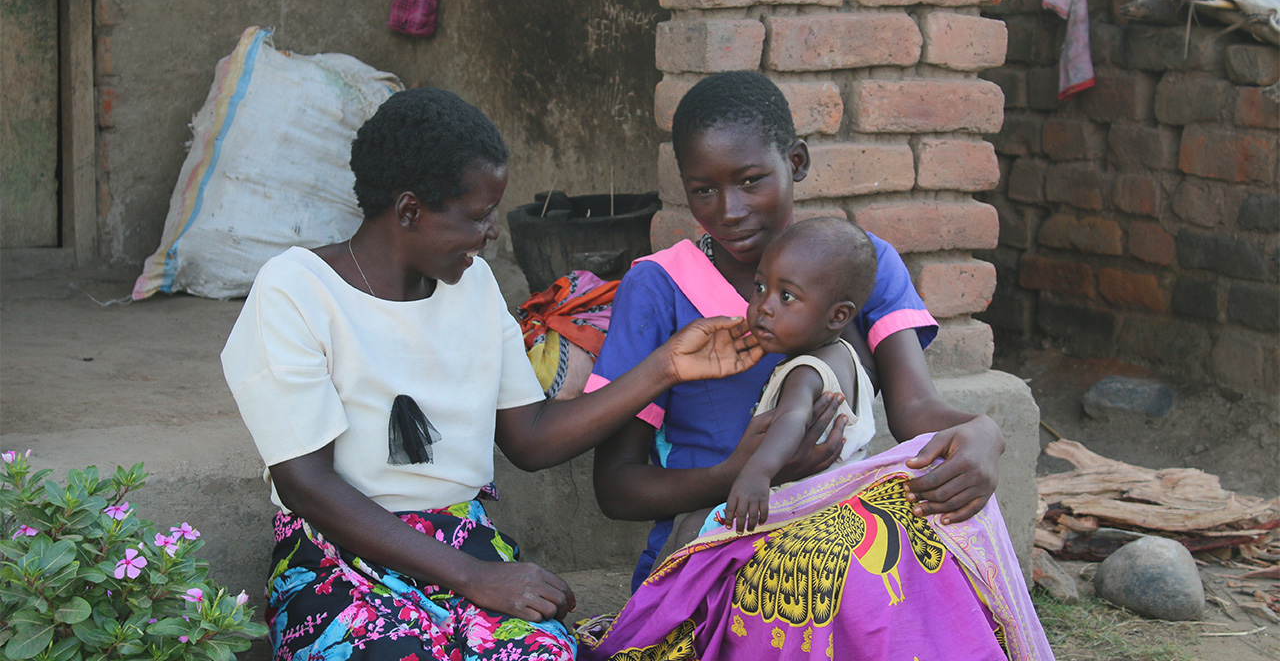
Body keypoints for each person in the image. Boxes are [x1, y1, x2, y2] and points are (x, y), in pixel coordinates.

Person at [219, 87, 767, 660]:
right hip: (335, 554)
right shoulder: (295, 291)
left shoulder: (474, 286)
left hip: (463, 539)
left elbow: (529, 438)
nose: (493, 233)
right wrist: (473, 578)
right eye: (479, 216)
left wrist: (665, 367)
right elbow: (307, 485)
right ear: (409, 211)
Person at [589, 71, 1007, 591]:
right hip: (711, 547)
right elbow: (616, 487)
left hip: (833, 540)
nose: (730, 211)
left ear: (796, 163)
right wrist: (743, 476)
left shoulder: (861, 263)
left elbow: (914, 411)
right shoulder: (659, 287)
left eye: (750, 181)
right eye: (703, 190)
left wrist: (982, 431)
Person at [718, 217, 881, 535]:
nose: (764, 306)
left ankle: (655, 588)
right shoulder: (845, 356)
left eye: (787, 297)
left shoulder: (805, 371)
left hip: (798, 514)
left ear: (838, 316)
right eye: (761, 288)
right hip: (840, 510)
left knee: (690, 527)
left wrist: (757, 474)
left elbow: (793, 416)